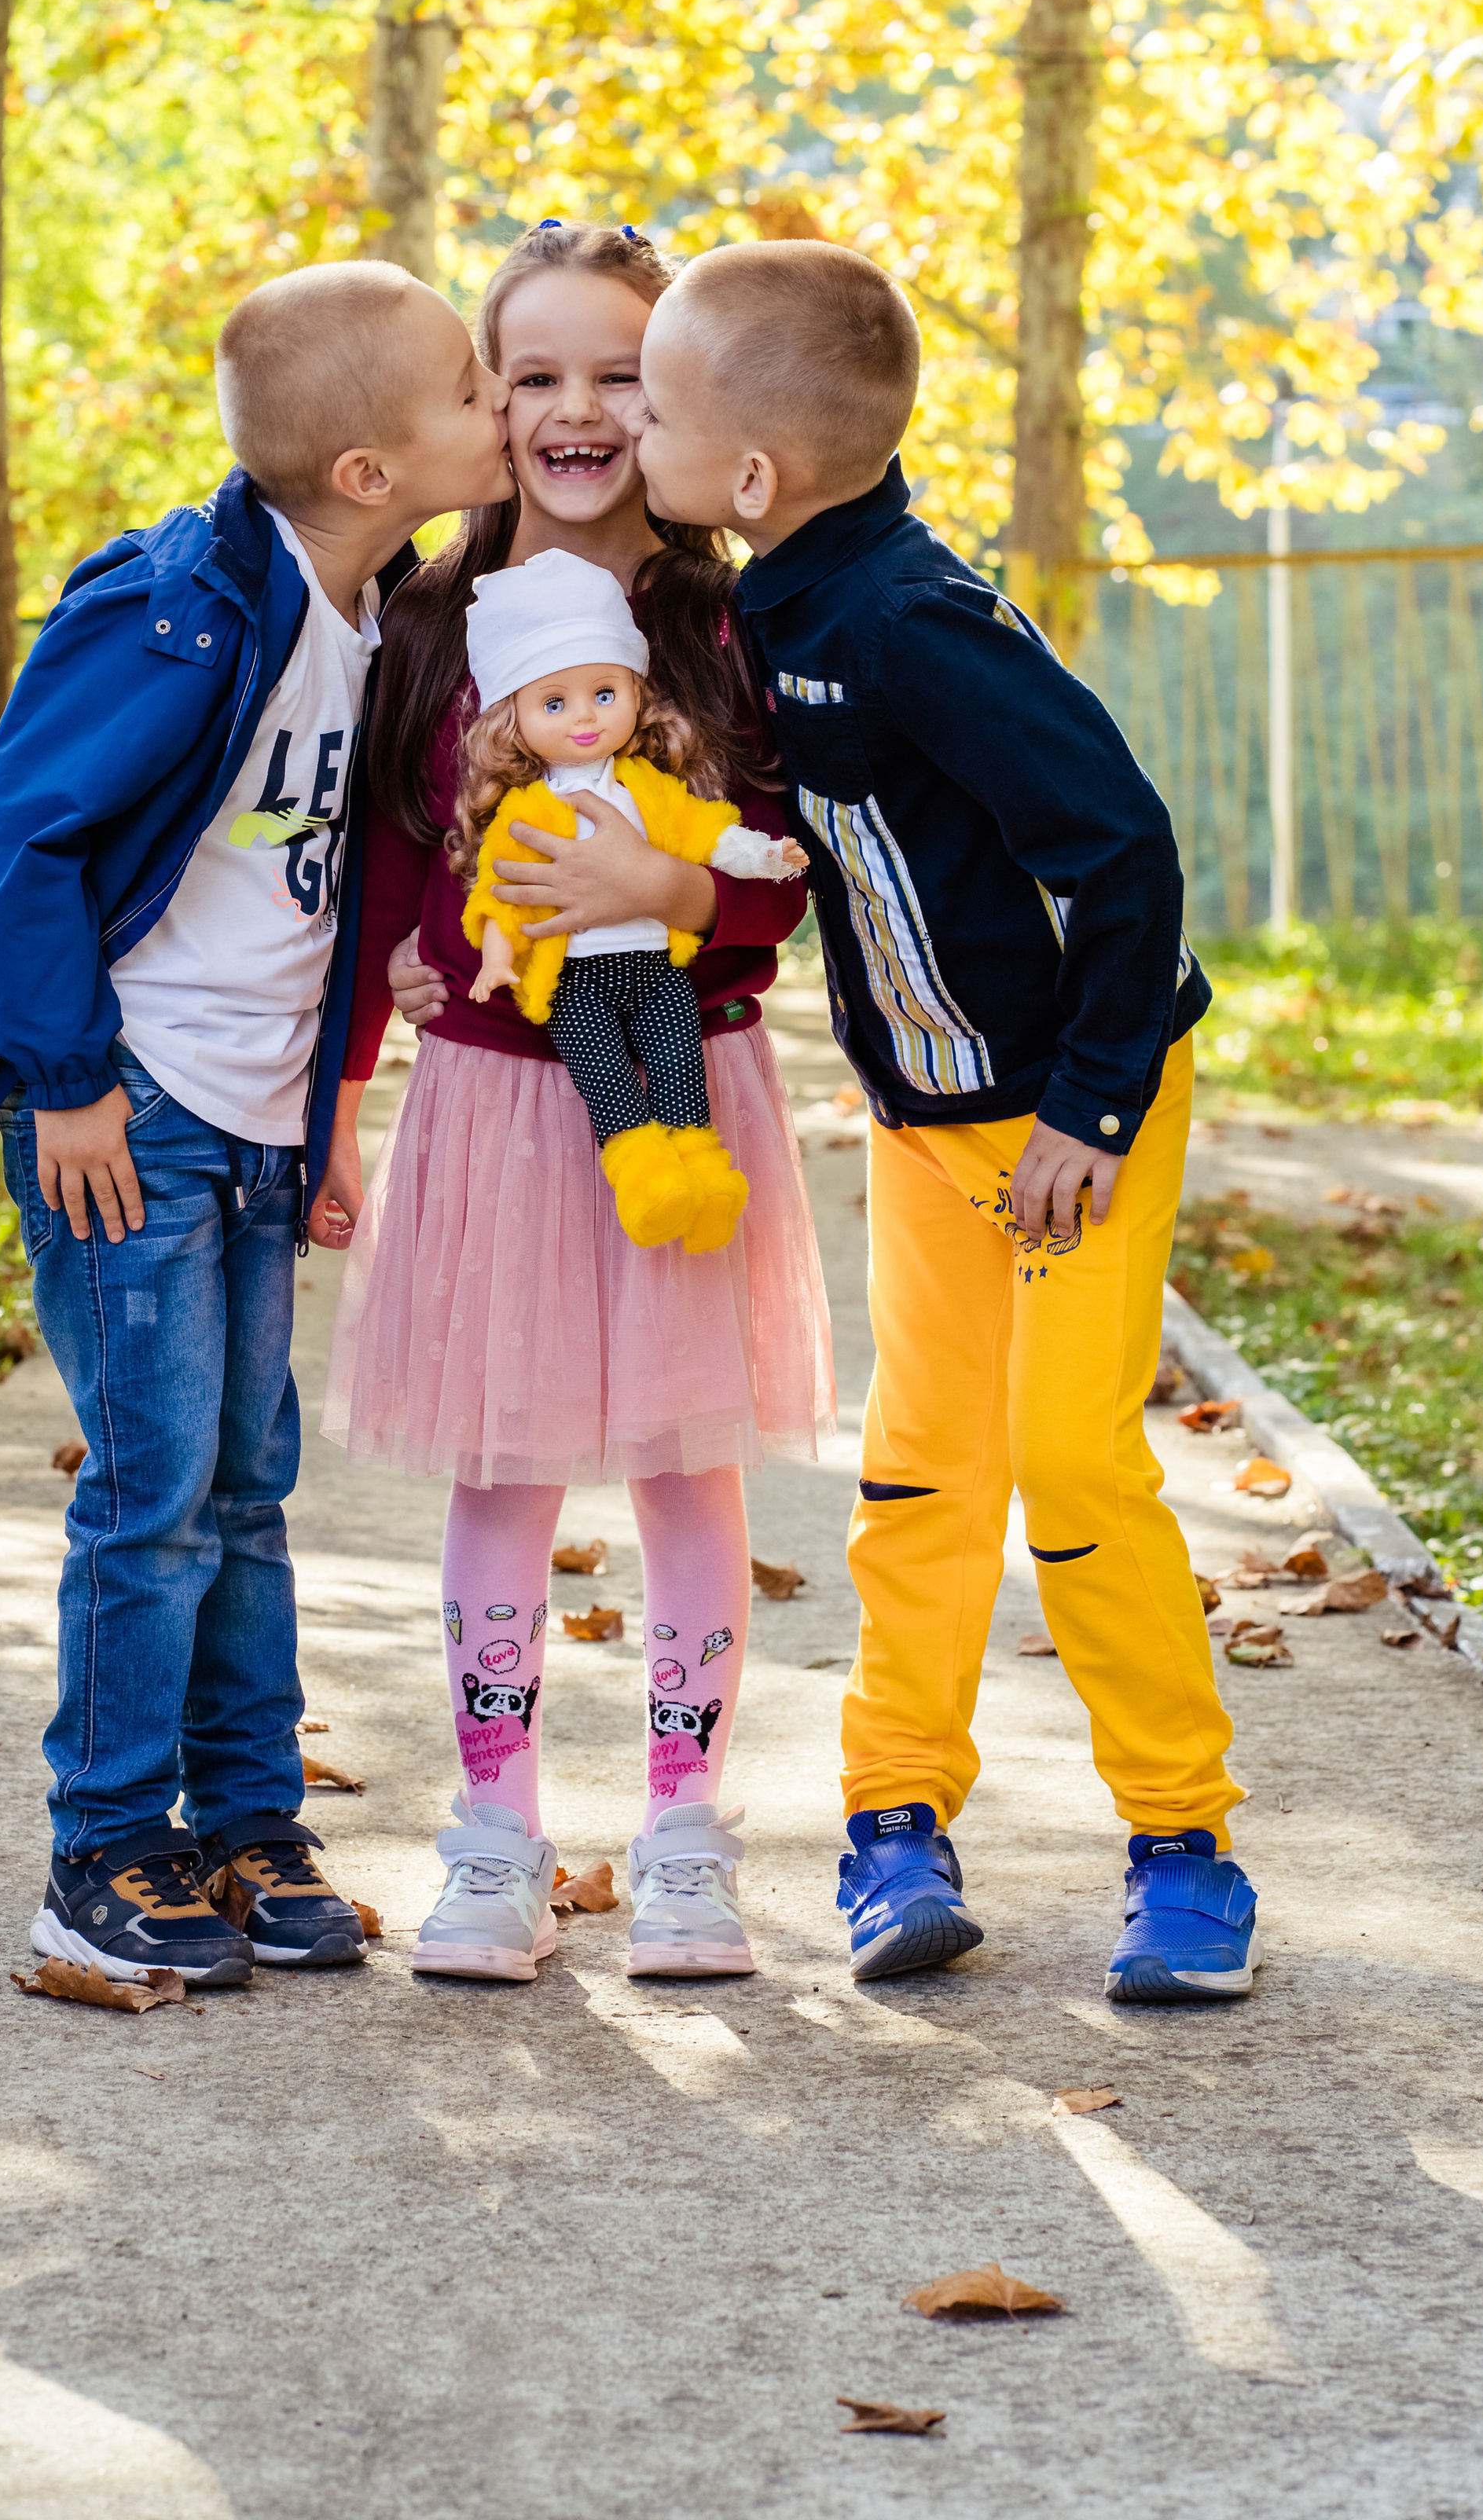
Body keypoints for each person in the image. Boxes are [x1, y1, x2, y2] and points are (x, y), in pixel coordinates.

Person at [0, 260, 512, 1991]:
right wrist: (64, 1078)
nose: (500, 406)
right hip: (129, 1112)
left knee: (245, 1484)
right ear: (368, 470)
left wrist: (331, 1106)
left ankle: (248, 1818)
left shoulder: (381, 618)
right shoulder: (175, 606)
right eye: (470, 388)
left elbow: (324, 898)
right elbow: (27, 836)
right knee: (152, 1496)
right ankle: (105, 1845)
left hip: (259, 1119)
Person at [633, 237, 1259, 2009]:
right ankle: (892, 1820)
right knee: (921, 1471)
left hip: (1076, 1119)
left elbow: (1121, 850)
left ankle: (1184, 1843)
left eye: (658, 412)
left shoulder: (912, 621)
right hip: (927, 1122)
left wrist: (1093, 1106)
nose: (641, 436)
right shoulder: (765, 606)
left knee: (1073, 1471)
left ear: (754, 477)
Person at [321, 218, 835, 1985]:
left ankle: (686, 1833)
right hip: (490, 1107)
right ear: (488, 400)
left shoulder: (725, 622)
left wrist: (671, 893)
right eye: (533, 374)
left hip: (686, 1095)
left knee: (690, 1461)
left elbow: (779, 874)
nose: (577, 410)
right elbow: (390, 874)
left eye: (620, 372)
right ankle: (496, 1834)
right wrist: (356, 1070)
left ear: (678, 391)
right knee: (501, 1464)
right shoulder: (426, 621)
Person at [453, 548, 804, 1249]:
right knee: (608, 1086)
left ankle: (705, 1183)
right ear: (514, 718)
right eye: (555, 703)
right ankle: (647, 1184)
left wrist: (766, 858)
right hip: (576, 985)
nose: (584, 718)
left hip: (656, 971)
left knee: (680, 1073)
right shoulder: (527, 810)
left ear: (637, 693)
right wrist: (495, 958)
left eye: (605, 693)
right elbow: (499, 894)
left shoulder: (649, 788)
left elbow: (707, 832)